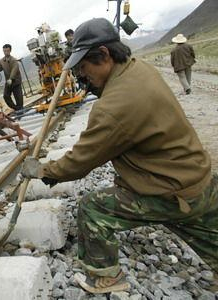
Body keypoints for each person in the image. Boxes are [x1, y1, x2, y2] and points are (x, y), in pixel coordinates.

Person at [21, 18, 217, 293]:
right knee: (208, 236)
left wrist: (43, 170)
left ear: (103, 54)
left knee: (92, 208)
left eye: (84, 67)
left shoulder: (115, 106)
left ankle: (105, 278)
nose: (82, 75)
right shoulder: (138, 69)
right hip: (198, 178)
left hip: (171, 191)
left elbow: (80, 161)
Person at [0, 44, 23, 111]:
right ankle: (16, 108)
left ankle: (20, 109)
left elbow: (14, 70)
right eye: (4, 51)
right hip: (8, 82)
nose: (6, 52)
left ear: (10, 51)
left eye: (7, 51)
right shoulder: (1, 61)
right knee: (6, 96)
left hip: (16, 81)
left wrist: (11, 78)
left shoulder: (14, 60)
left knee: (18, 98)